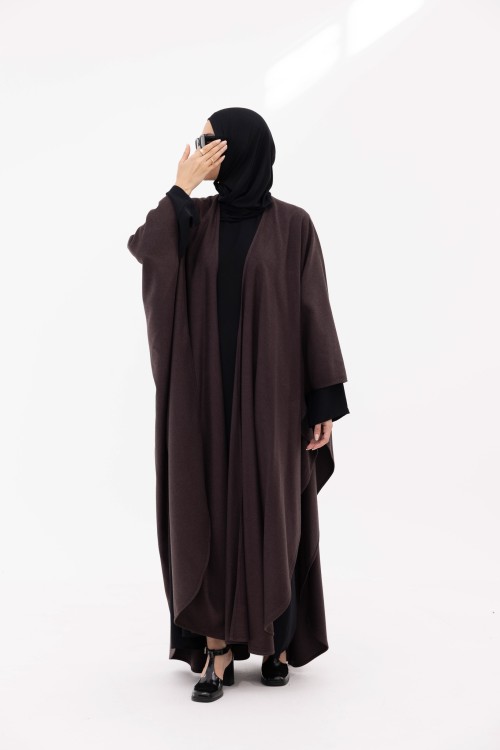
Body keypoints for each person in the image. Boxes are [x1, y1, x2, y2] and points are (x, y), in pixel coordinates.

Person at [127, 107, 350, 703]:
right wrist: (180, 188)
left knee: (276, 511)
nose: (200, 147)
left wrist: (323, 403)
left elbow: (313, 310)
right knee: (207, 513)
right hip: (203, 399)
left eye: (210, 139)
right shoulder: (193, 219)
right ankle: (218, 649)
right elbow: (148, 251)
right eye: (200, 140)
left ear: (241, 148)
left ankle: (277, 641)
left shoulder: (294, 226)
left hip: (274, 400)